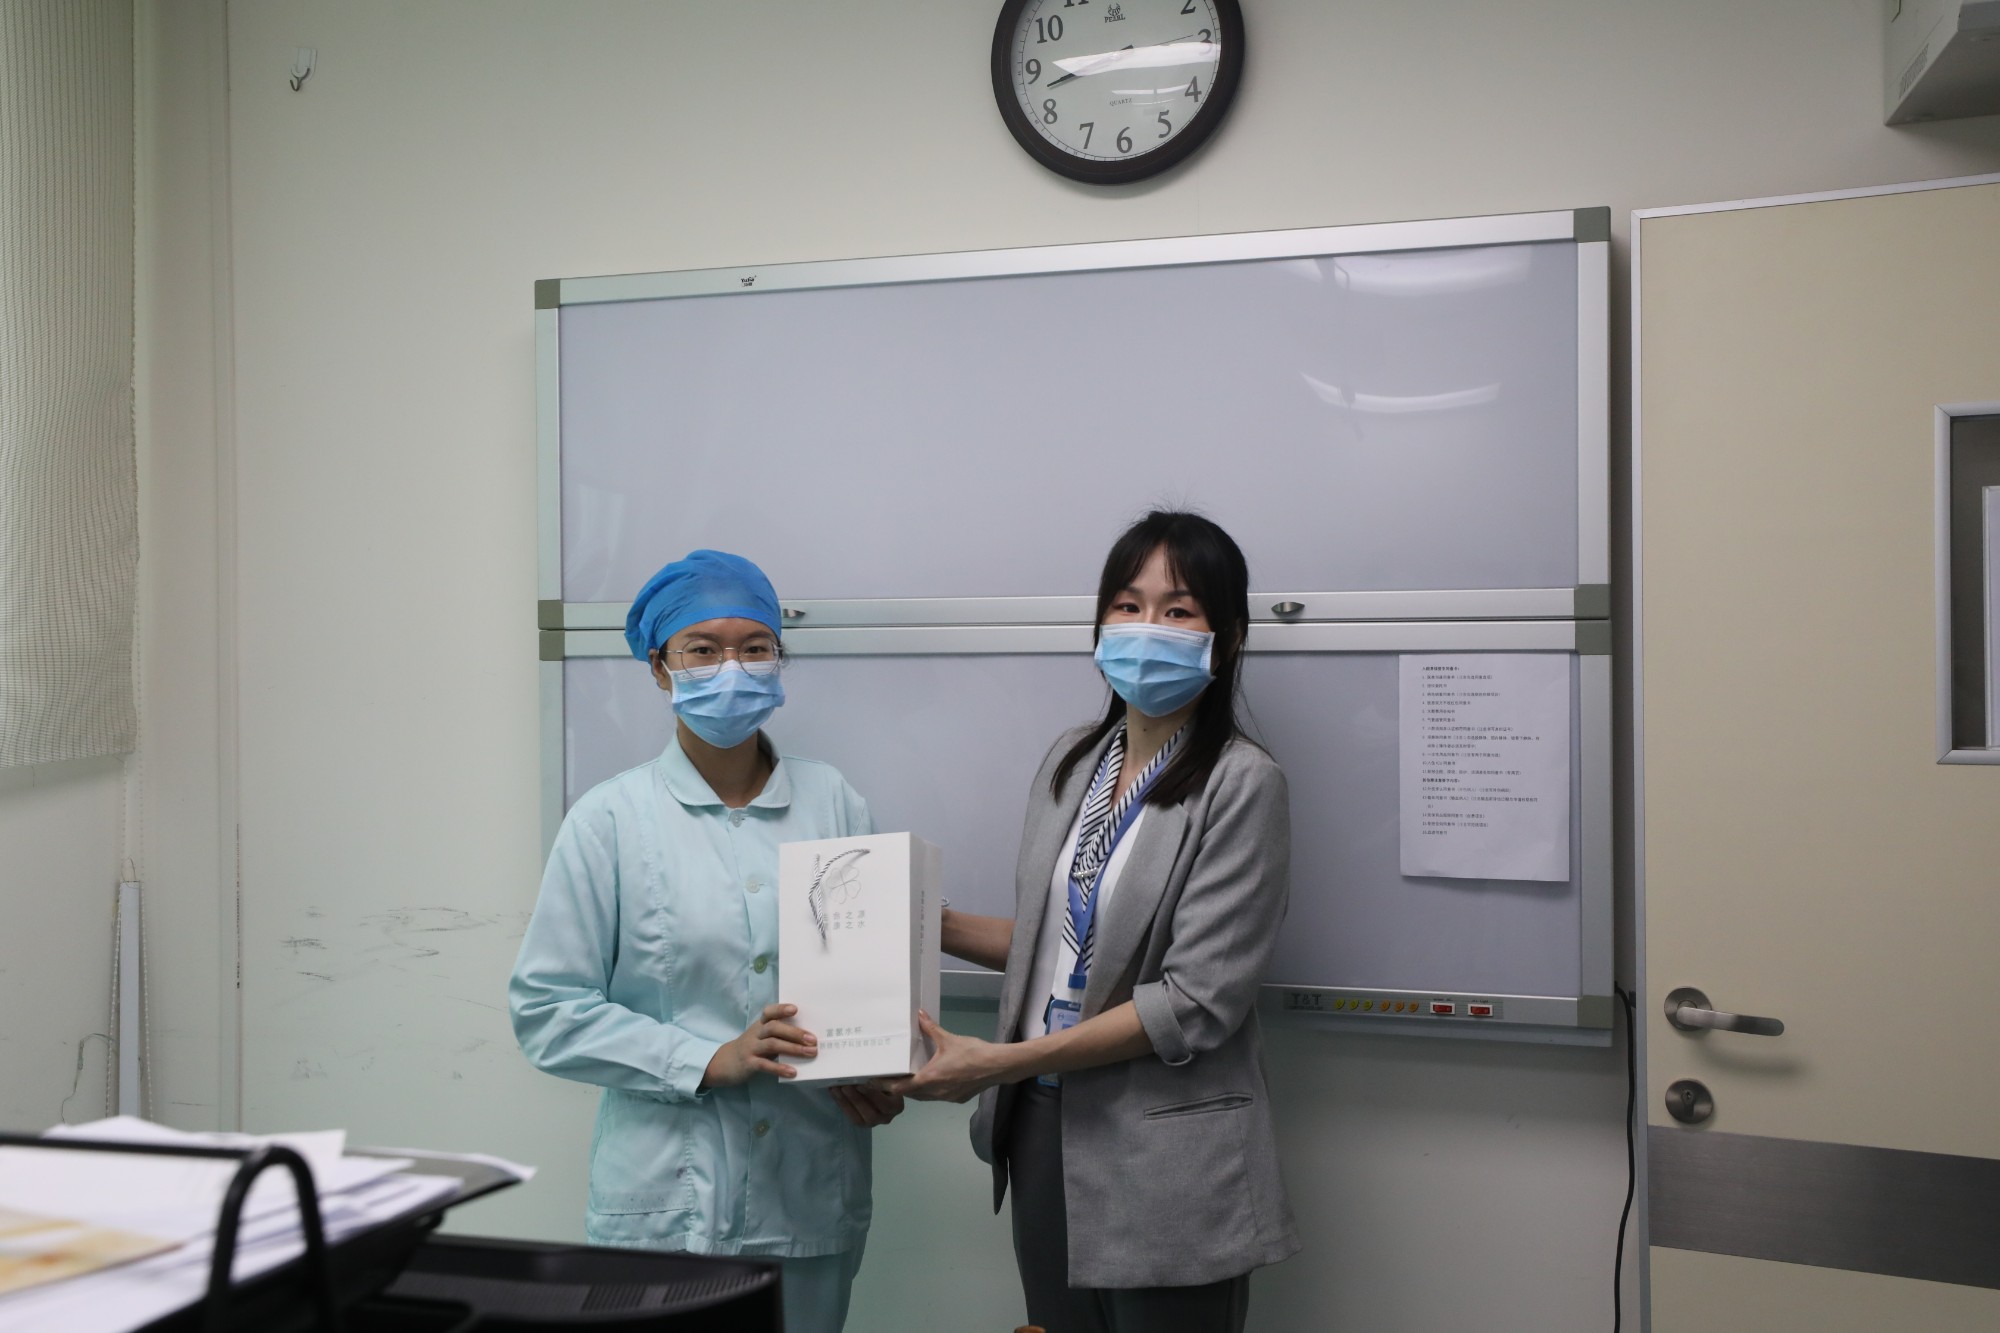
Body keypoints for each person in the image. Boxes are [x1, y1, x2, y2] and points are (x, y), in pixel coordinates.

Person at [893, 510, 1299, 1333]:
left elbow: (1194, 1001)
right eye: (1127, 604)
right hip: (1041, 1126)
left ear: (1227, 636)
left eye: (1178, 609)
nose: (1147, 627)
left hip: (1165, 1151)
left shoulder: (1242, 783)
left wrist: (1002, 1059)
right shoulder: (1073, 757)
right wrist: (921, 922)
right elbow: (1058, 941)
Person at [509, 549, 901, 1333]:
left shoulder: (834, 801)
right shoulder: (609, 819)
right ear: (661, 668)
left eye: (755, 646)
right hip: (664, 1200)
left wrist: (882, 1066)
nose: (733, 668)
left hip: (808, 1184)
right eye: (703, 648)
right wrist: (704, 1059)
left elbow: (869, 979)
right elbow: (546, 1011)